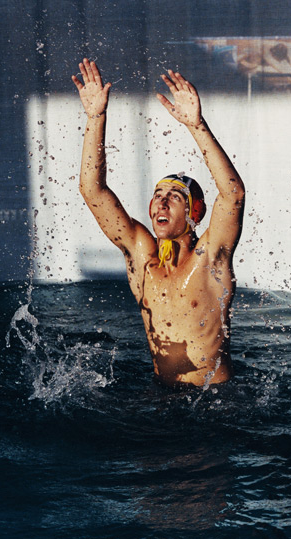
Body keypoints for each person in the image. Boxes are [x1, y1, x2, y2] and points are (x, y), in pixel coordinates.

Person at [72, 58, 245, 387]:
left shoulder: (210, 259)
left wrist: (196, 126)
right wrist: (95, 117)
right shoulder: (143, 259)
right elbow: (92, 191)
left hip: (216, 402)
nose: (161, 203)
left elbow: (232, 194)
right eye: (158, 195)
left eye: (175, 197)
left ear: (194, 214)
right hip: (161, 399)